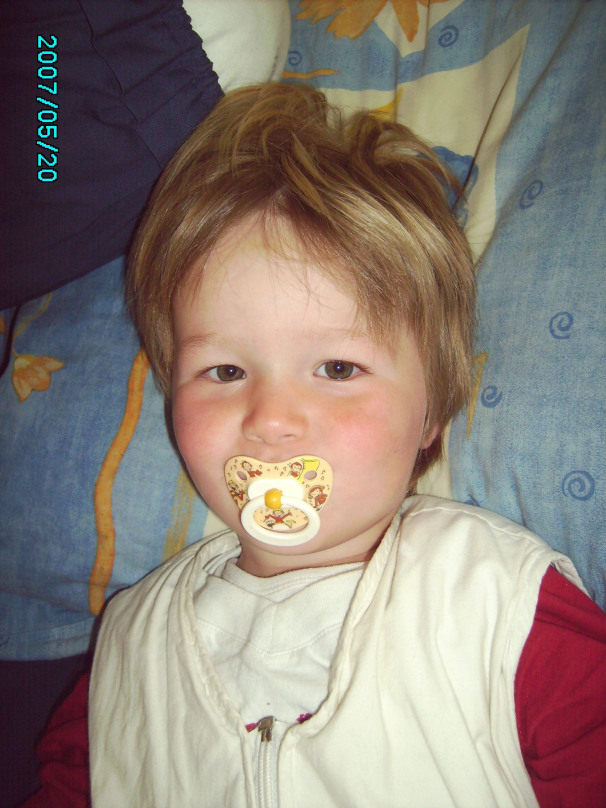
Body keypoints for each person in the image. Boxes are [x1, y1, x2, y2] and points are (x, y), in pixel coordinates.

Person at [30, 84, 606, 807]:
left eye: (337, 369)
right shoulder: (127, 648)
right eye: (225, 372)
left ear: (430, 414)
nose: (271, 419)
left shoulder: (501, 603)